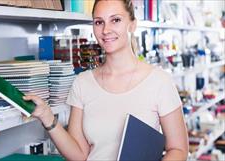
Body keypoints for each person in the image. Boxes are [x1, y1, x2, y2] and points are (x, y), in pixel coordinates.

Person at [23, 0, 189, 160]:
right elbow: (79, 154)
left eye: (115, 20)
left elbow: (178, 150)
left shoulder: (159, 81)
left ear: (132, 24)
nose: (106, 30)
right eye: (98, 22)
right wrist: (47, 117)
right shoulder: (82, 83)